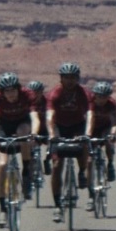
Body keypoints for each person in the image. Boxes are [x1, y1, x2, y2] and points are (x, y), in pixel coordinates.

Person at [0, 72, 41, 228]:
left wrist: (34, 134)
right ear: (2, 92)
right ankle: (2, 210)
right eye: (7, 91)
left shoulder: (27, 95)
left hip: (23, 124)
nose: (11, 94)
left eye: (13, 90)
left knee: (24, 134)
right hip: (4, 128)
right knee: (2, 165)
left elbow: (35, 118)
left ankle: (26, 172)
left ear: (18, 89)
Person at [45, 62, 93, 222]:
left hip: (77, 126)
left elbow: (90, 114)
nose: (70, 81)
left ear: (78, 78)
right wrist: (52, 134)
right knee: (57, 165)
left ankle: (82, 171)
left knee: (83, 144)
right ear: (61, 78)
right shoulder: (55, 93)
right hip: (59, 127)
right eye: (66, 78)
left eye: (73, 77)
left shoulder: (83, 93)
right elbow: (50, 116)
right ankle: (58, 206)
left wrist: (87, 133)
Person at [90, 81, 116, 184]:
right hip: (92, 128)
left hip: (105, 127)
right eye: (99, 96)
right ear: (95, 95)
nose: (102, 99)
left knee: (108, 142)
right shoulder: (90, 102)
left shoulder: (111, 104)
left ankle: (110, 164)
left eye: (105, 96)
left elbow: (114, 123)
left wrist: (112, 135)